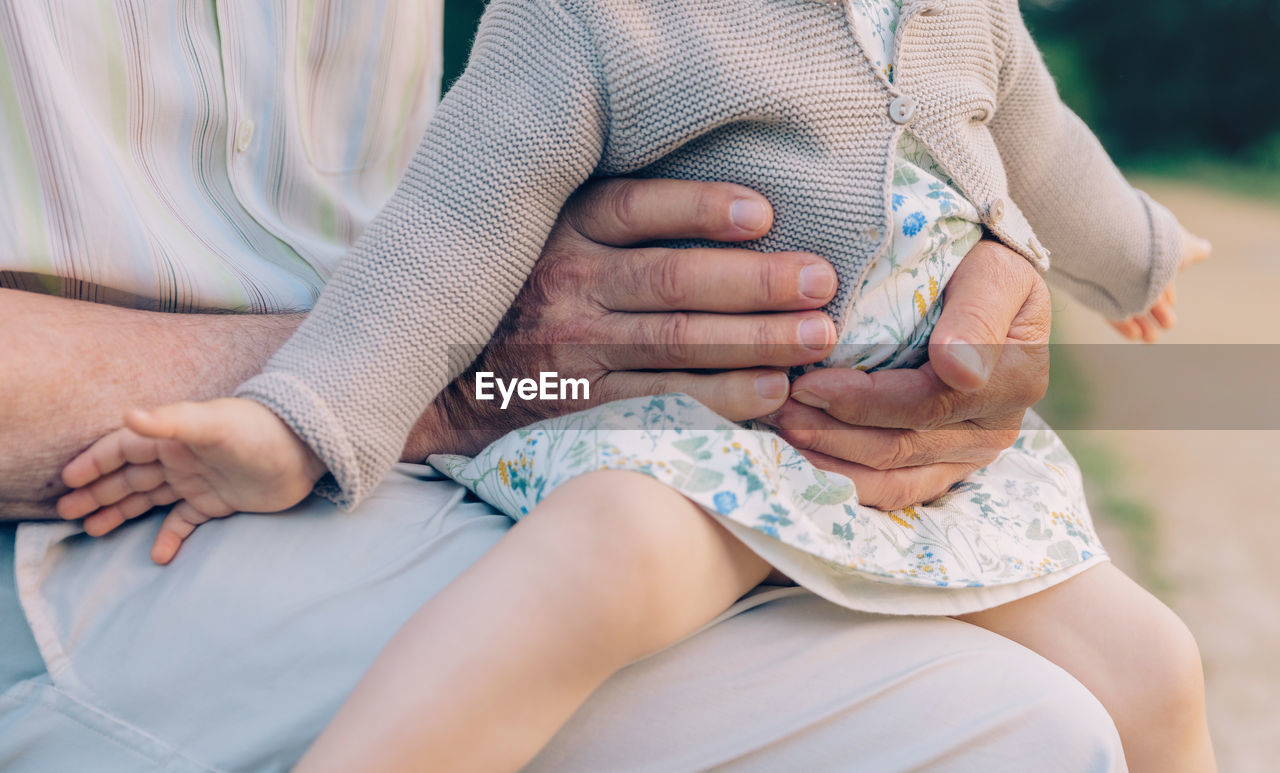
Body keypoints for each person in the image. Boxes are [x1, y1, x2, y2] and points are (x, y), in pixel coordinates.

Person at [56, 0, 1215, 771]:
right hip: (681, 435)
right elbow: (447, 233)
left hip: (901, 484)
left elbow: (1044, 147)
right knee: (614, 554)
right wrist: (300, 424)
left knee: (1148, 660)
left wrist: (1137, 254)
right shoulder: (598, 20)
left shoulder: (960, 13)